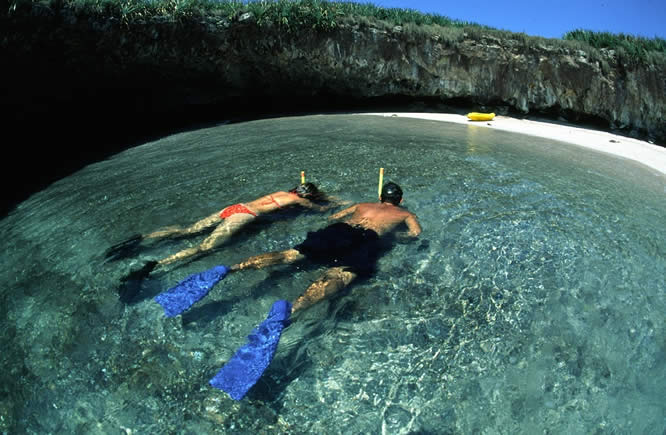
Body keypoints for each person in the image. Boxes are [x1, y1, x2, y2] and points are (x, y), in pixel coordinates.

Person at [117, 182, 336, 299]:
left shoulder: (282, 192)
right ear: (306, 195)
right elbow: (321, 209)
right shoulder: (300, 200)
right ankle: (156, 265)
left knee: (189, 229)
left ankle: (143, 239)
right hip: (244, 215)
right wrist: (329, 203)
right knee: (206, 247)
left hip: (236, 206)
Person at [228, 182, 422, 313]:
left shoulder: (362, 205)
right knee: (340, 273)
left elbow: (334, 217)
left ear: (380, 197)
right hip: (367, 238)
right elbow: (415, 234)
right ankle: (293, 310)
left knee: (291, 254)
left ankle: (232, 268)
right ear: (401, 200)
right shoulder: (407, 214)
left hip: (340, 229)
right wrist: (394, 235)